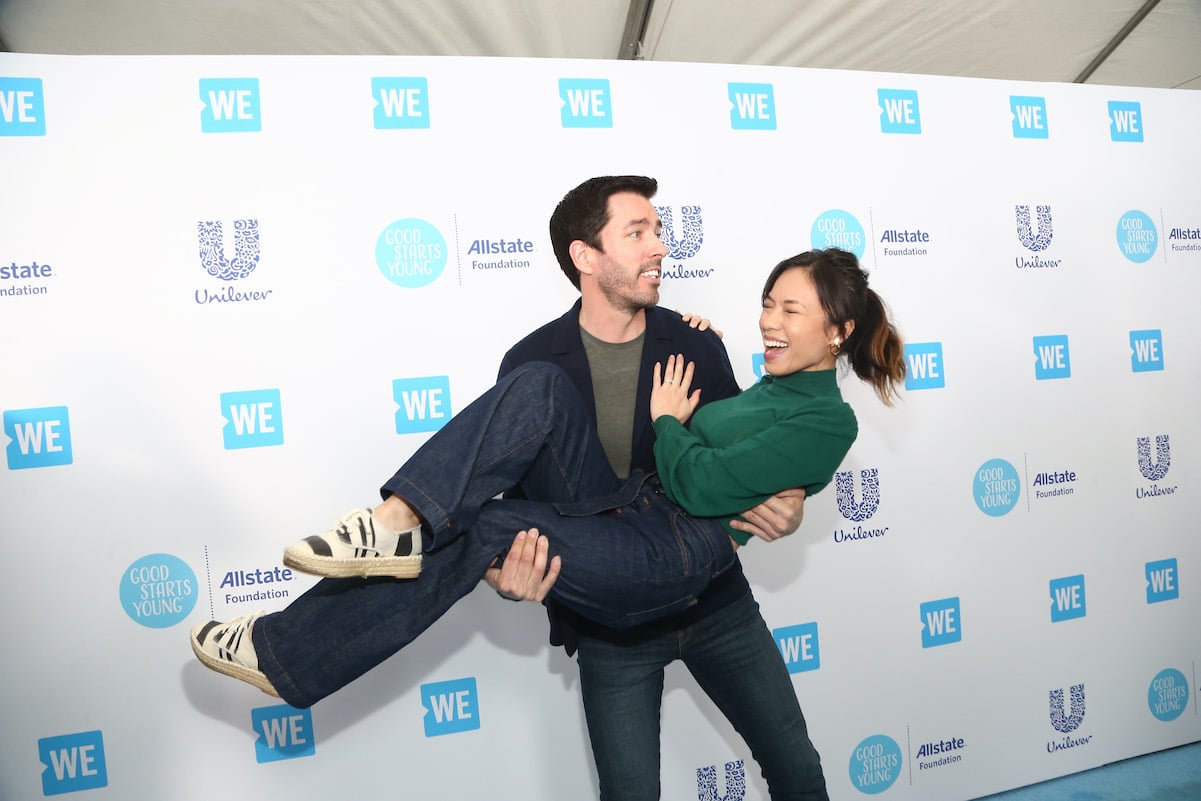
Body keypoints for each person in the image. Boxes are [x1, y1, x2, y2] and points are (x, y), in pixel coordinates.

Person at [190, 176, 902, 799]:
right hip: (610, 599)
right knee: (501, 492)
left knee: (793, 767)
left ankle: (307, 623)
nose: (661, 246)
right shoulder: (530, 359)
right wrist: (509, 577)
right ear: (585, 257)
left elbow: (748, 455)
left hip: (710, 596)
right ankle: (394, 520)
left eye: (657, 229)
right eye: (638, 231)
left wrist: (790, 496)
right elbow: (521, 509)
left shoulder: (695, 343)